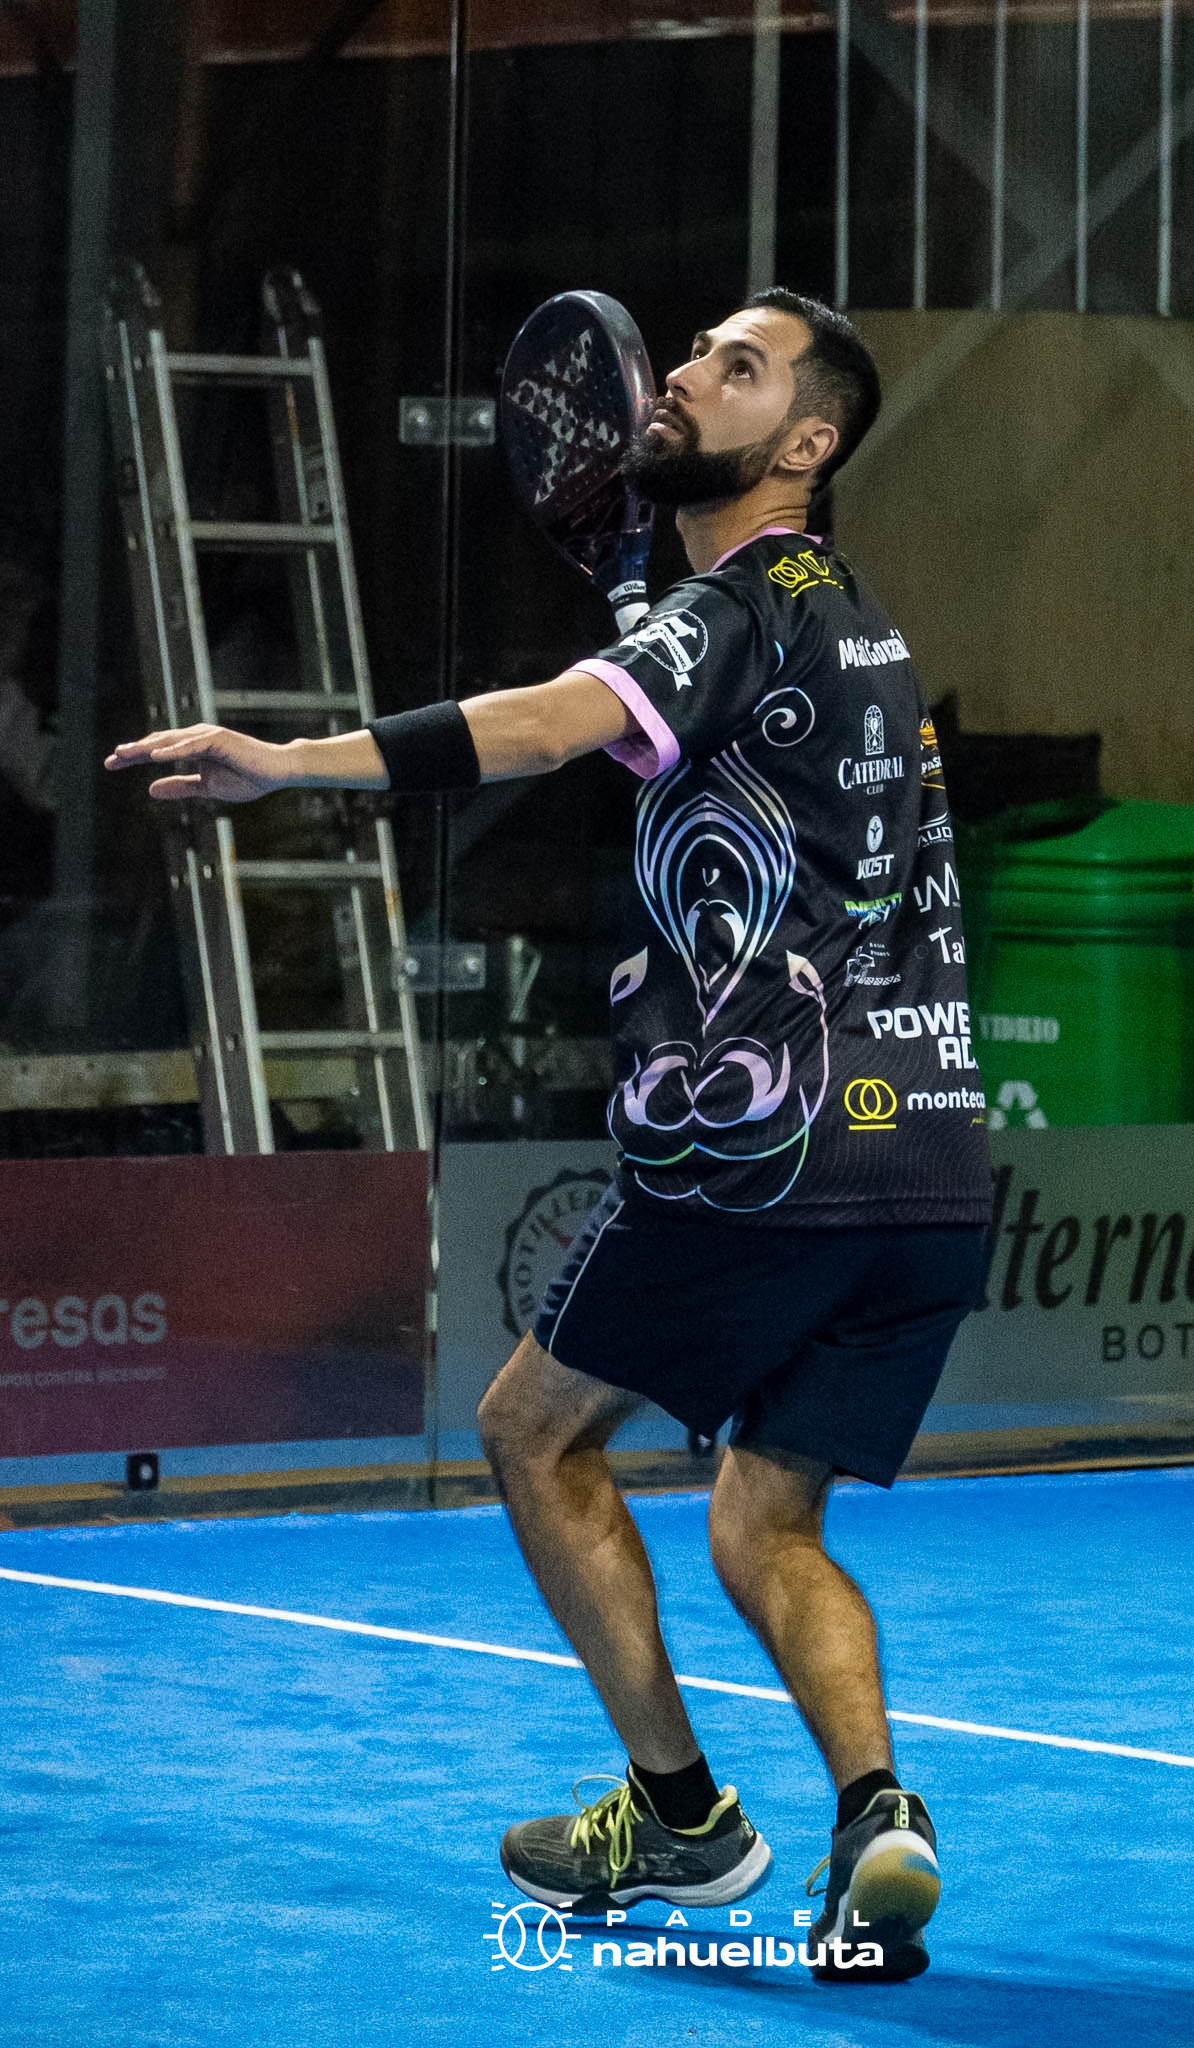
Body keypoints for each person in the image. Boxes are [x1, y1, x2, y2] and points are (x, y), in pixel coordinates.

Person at [106, 288, 993, 1984]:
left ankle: (679, 1815)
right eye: (693, 351)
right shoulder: (841, 619)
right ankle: (878, 1817)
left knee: (531, 1429)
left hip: (762, 1148)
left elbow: (547, 721)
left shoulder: (744, 599)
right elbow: (682, 712)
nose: (687, 374)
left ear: (807, 445)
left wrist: (288, 762)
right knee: (764, 1521)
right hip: (928, 1164)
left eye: (738, 368)